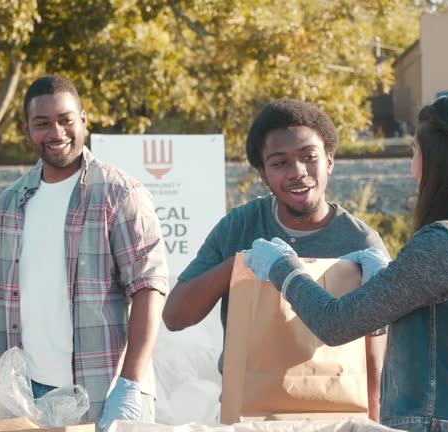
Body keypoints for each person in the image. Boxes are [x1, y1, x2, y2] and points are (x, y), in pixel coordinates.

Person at [0, 75, 169, 430]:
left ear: (83, 120)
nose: (56, 132)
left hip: (104, 389)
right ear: (26, 130)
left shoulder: (119, 195)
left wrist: (129, 384)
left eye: (66, 120)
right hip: (26, 397)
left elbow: (148, 288)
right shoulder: (9, 205)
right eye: (42, 123)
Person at [245, 94, 448, 432]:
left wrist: (282, 266)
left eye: (414, 152)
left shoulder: (444, 243)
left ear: (437, 161)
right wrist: (387, 282)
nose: (411, 166)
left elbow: (336, 324)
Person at [162, 99, 389, 420]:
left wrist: (374, 420)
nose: (298, 172)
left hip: (333, 412)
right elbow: (175, 317)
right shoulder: (239, 226)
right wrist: (241, 262)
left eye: (309, 157)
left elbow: (374, 352)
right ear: (263, 176)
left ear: (330, 161)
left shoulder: (360, 241)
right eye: (279, 163)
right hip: (247, 412)